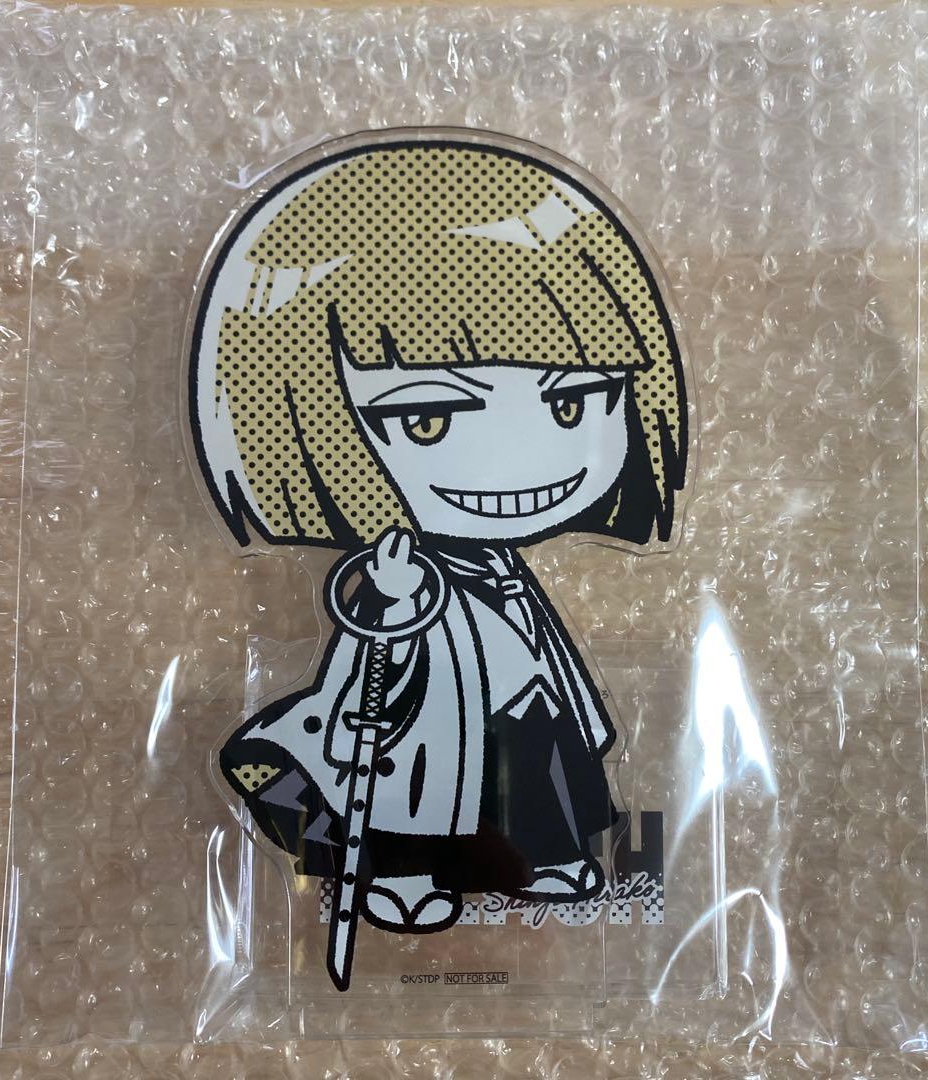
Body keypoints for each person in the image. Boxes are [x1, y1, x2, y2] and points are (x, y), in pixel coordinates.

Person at [189, 133, 688, 941]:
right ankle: (399, 873)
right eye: (428, 417)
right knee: (416, 781)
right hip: (424, 698)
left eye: (570, 404)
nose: (519, 461)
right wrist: (391, 600)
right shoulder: (399, 563)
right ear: (308, 413)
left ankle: (551, 855)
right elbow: (371, 635)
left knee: (539, 757)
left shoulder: (505, 563)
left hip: (521, 690)